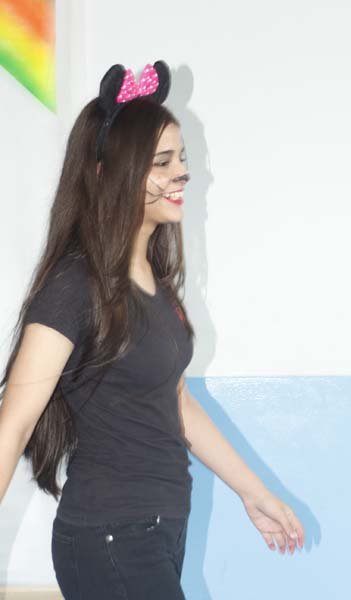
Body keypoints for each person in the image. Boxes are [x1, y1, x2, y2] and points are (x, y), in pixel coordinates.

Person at [0, 60, 304, 599]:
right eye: (162, 162)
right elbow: (16, 423)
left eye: (182, 159)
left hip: (158, 530)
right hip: (110, 535)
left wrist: (253, 492)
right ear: (107, 173)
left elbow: (177, 401)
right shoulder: (75, 285)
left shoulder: (155, 286)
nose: (181, 174)